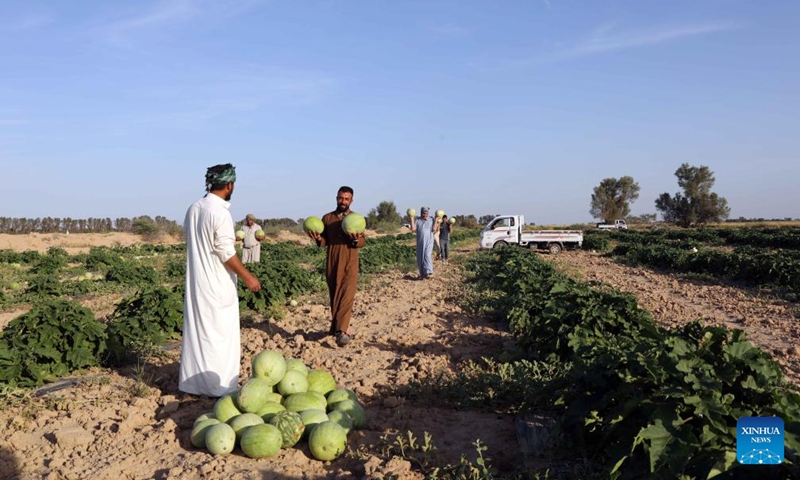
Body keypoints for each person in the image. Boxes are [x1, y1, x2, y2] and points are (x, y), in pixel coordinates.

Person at [179, 163, 262, 397]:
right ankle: (220, 388)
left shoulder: (194, 208)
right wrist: (248, 277)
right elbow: (226, 252)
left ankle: (194, 385)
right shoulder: (220, 212)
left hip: (197, 284)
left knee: (199, 335)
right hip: (217, 284)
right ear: (229, 185)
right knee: (220, 338)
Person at [306, 186, 365, 347]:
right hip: (332, 261)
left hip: (350, 261)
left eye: (346, 199)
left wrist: (355, 239)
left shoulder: (356, 219)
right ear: (336, 198)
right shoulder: (327, 218)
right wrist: (317, 237)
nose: (343, 201)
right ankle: (337, 329)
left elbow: (362, 242)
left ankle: (342, 332)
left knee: (347, 295)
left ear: (351, 200)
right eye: (341, 198)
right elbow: (324, 242)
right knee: (335, 294)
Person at [411, 207, 438, 279]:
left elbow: (434, 229)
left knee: (427, 255)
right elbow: (413, 229)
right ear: (421, 213)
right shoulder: (417, 220)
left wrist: (436, 220)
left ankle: (429, 271)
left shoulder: (431, 219)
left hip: (429, 241)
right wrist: (411, 217)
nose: (424, 215)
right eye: (423, 213)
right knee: (420, 258)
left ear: (428, 213)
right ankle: (423, 274)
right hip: (420, 242)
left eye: (426, 213)